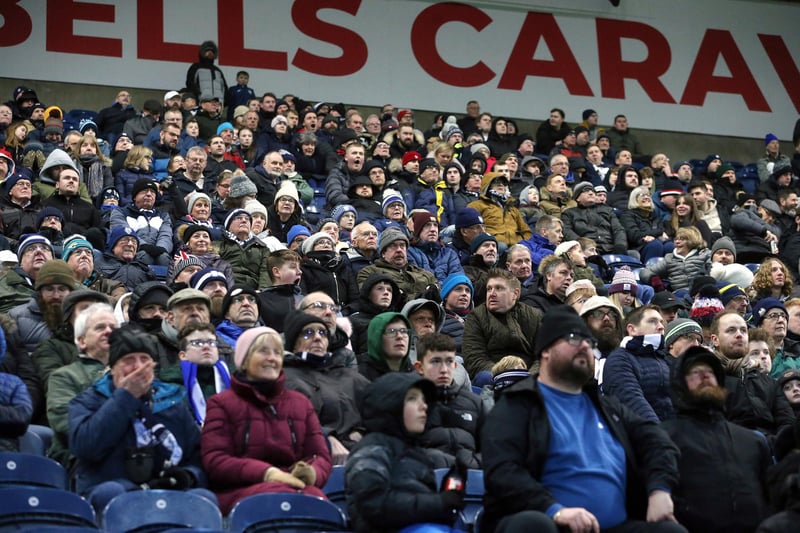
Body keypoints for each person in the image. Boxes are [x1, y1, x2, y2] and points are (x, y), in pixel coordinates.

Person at [480, 305, 683, 533]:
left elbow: (659, 443)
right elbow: (503, 472)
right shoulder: (517, 405)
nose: (586, 346)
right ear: (545, 350)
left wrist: (659, 490)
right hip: (550, 523)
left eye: (590, 343)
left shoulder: (607, 407)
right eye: (575, 338)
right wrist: (553, 510)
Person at [68, 326, 214, 513]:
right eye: (129, 360)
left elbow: (197, 457)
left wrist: (189, 476)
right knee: (112, 493)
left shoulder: (172, 401)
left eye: (144, 359)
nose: (138, 367)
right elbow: (85, 447)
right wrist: (126, 396)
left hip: (167, 491)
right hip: (111, 491)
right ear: (112, 368)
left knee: (204, 498)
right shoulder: (88, 401)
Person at [201, 326, 331, 515]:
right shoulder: (221, 403)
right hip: (241, 493)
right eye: (263, 351)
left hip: (298, 489)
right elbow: (216, 461)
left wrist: (312, 473)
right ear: (244, 361)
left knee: (320, 506)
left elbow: (320, 456)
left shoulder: (300, 403)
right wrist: (268, 474)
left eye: (277, 353)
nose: (272, 358)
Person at [660, 346, 770, 533]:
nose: (704, 376)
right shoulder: (664, 437)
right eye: (695, 372)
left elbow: (769, 496)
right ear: (680, 384)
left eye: (710, 372)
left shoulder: (753, 441)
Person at [345, 372, 468, 533]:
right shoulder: (372, 448)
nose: (424, 406)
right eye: (412, 399)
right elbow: (373, 504)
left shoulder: (416, 452)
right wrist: (439, 503)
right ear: (389, 405)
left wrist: (450, 496)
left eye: (424, 400)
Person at [281, 312, 369, 465]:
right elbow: (289, 423)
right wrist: (326, 437)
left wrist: (362, 431)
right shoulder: (285, 378)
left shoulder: (348, 375)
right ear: (294, 342)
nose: (317, 337)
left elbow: (381, 411)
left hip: (364, 454)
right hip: (314, 460)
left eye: (322, 333)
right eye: (308, 333)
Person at [46, 303, 118, 467]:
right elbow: (69, 426)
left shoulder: (135, 373)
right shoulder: (64, 377)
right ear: (82, 341)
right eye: (100, 327)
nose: (108, 331)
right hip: (80, 460)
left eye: (113, 328)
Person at [709, 311, 795, 439]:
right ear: (715, 340)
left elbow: (787, 421)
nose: (739, 335)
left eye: (743, 330)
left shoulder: (768, 382)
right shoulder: (708, 378)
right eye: (731, 330)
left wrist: (774, 444)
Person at [415, 333, 484, 469]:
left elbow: (491, 449)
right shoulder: (409, 401)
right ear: (419, 367)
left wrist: (476, 462)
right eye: (435, 362)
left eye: (449, 361)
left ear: (455, 364)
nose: (444, 370)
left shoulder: (475, 403)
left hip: (469, 479)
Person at [462, 269, 542, 383]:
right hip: (493, 377)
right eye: (489, 289)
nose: (492, 294)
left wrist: (528, 377)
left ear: (515, 294)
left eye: (499, 288)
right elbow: (474, 359)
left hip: (529, 377)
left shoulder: (535, 315)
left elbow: (542, 356)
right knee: (484, 377)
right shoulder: (476, 316)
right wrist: (505, 375)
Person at [602, 305, 673, 423]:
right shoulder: (620, 359)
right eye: (652, 321)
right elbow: (632, 402)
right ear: (632, 329)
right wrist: (660, 436)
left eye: (661, 322)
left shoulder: (665, 360)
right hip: (645, 436)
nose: (661, 327)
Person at [358, 312, 414, 381]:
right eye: (391, 331)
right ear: (376, 338)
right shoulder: (360, 377)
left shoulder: (415, 374)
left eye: (403, 331)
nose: (400, 336)